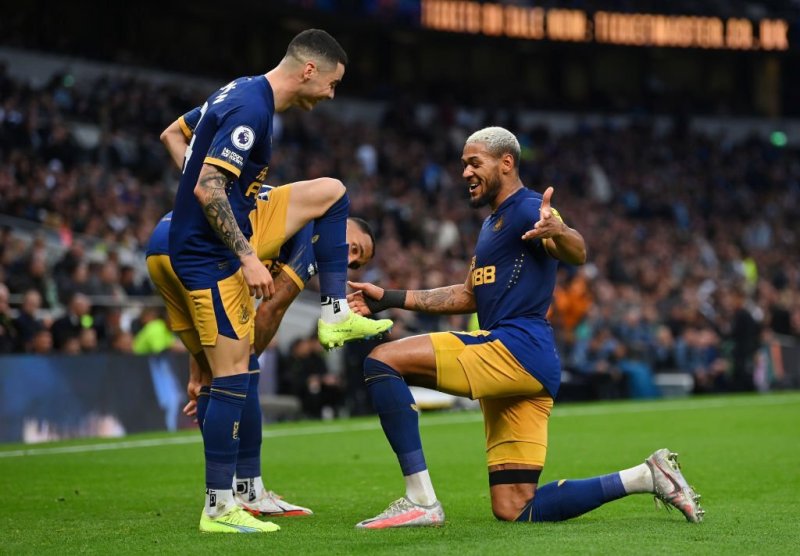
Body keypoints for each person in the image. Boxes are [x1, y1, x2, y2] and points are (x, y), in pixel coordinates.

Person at [347, 127, 704, 529]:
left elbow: (577, 250)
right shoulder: (492, 225)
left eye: (474, 162)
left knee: (382, 360)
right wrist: (389, 298)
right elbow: (466, 295)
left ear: (506, 163)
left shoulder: (529, 208)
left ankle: (420, 500)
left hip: (514, 348)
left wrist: (559, 231)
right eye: (463, 164)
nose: (465, 172)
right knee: (515, 506)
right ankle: (646, 476)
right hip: (530, 364)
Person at [162, 29, 389, 534]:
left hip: (232, 226)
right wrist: (247, 257)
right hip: (209, 253)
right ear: (309, 70)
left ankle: (334, 311)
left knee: (332, 191)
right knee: (233, 373)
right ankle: (219, 507)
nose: (331, 95)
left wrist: (208, 194)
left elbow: (172, 136)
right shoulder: (252, 109)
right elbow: (208, 187)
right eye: (332, 84)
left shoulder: (242, 90)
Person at [148, 182, 386, 528]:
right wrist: (235, 366)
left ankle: (237, 490)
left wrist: (202, 371)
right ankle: (237, 495)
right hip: (205, 250)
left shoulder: (279, 213)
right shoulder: (315, 230)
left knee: (221, 372)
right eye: (353, 248)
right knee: (238, 372)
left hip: (166, 244)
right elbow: (271, 310)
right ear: (343, 225)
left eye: (354, 264)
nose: (347, 260)